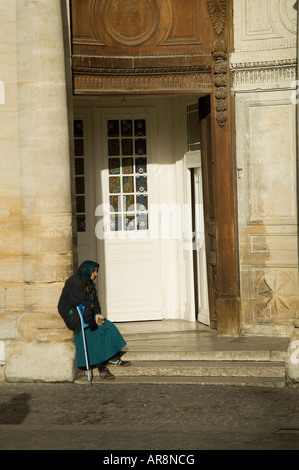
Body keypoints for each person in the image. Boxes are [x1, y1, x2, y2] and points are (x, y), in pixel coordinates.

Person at [58, 260, 130, 380]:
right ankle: (102, 368)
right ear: (87, 271)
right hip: (76, 318)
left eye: (96, 271)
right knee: (94, 334)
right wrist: (87, 320)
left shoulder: (89, 283)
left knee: (108, 326)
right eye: (94, 271)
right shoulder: (73, 283)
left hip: (88, 315)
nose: (96, 274)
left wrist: (97, 315)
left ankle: (112, 357)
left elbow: (95, 302)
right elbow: (76, 302)